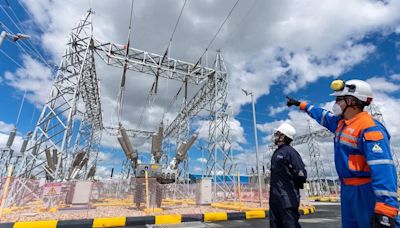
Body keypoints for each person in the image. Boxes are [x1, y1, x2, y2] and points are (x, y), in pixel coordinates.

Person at [286, 79, 398, 228]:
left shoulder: (369, 128)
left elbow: (383, 168)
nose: (335, 103)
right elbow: (321, 115)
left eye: (339, 99)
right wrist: (301, 105)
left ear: (352, 101)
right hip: (347, 190)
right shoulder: (341, 124)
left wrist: (386, 208)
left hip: (365, 192)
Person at [270, 122, 307, 228]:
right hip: (275, 197)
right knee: (275, 224)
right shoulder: (277, 152)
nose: (275, 136)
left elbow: (301, 174)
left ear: (283, 136)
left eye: (277, 133)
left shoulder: (291, 152)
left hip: (287, 198)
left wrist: (291, 189)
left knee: (290, 225)